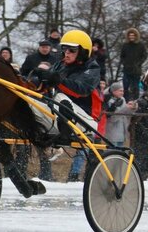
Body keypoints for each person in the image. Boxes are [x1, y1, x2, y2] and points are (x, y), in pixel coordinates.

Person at [32, 29, 101, 182]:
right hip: (59, 116)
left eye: (72, 50)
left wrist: (57, 80)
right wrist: (36, 79)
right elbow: (43, 89)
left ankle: (63, 133)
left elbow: (81, 90)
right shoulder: (60, 65)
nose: (66, 53)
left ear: (83, 51)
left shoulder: (93, 68)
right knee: (28, 102)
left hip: (85, 122)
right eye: (64, 49)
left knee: (60, 97)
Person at [103, 81, 136, 147]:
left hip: (122, 131)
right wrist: (126, 107)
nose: (122, 93)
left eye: (123, 91)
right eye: (120, 91)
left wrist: (132, 108)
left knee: (120, 153)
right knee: (113, 152)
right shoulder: (108, 100)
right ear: (114, 91)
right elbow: (112, 118)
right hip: (112, 132)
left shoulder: (122, 99)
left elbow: (126, 114)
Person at [120, 27, 147, 101]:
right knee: (125, 86)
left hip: (136, 70)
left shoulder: (141, 45)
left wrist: (139, 63)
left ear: (136, 36)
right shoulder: (125, 45)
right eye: (130, 35)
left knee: (135, 87)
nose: (131, 37)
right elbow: (122, 56)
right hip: (126, 69)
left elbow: (144, 56)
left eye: (133, 35)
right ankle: (126, 101)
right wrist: (124, 63)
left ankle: (135, 101)